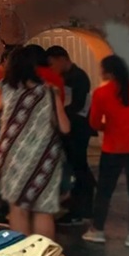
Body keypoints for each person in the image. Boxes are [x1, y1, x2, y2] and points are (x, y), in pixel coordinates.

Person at [0, 46, 70, 239]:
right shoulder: (48, 91)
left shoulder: (3, 89)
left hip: (13, 156)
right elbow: (64, 127)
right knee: (43, 208)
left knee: (18, 208)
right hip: (44, 155)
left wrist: (7, 120)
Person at [83, 55, 129, 248]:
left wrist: (107, 127)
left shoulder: (101, 93)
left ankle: (98, 230)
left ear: (108, 72)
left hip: (112, 148)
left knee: (104, 191)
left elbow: (94, 122)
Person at [46, 45, 95, 225]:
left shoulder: (78, 77)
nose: (52, 68)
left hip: (78, 127)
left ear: (62, 59)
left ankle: (83, 208)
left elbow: (77, 104)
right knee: (76, 166)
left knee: (79, 166)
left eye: (52, 64)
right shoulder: (65, 77)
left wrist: (60, 113)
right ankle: (79, 201)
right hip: (70, 126)